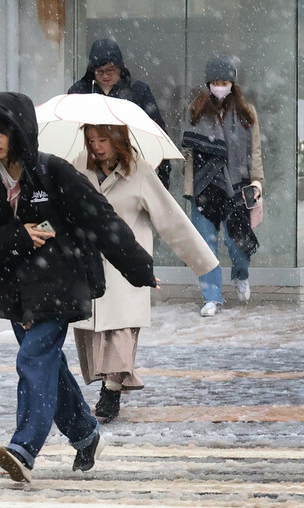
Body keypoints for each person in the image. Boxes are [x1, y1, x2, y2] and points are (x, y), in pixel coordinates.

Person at [0, 91, 156, 483]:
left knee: (33, 361)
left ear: (19, 132)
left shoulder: (53, 172)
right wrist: (17, 237)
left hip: (58, 285)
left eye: (0, 132)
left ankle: (24, 448)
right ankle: (85, 434)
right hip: (15, 293)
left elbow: (101, 219)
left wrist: (139, 268)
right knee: (50, 368)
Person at [71, 124, 217, 423]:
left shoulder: (139, 171)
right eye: (91, 140)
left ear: (119, 140)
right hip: (88, 262)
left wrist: (203, 262)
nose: (97, 147)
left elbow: (170, 217)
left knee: (122, 328)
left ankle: (111, 390)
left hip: (128, 263)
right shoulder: (76, 167)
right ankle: (106, 382)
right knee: (95, 330)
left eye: (103, 140)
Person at [181, 55, 264, 317]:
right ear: (208, 83)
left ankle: (241, 274)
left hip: (237, 186)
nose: (219, 86)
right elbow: (189, 154)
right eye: (215, 82)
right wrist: (189, 186)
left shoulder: (246, 112)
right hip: (205, 187)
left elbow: (255, 151)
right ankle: (212, 297)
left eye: (224, 81)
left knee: (237, 243)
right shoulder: (195, 111)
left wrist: (257, 182)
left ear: (232, 83)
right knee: (205, 245)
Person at [68, 38, 171, 187]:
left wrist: (162, 178)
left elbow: (157, 131)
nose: (105, 76)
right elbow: (72, 131)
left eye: (110, 70)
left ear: (120, 68)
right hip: (90, 168)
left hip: (128, 166)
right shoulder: (79, 92)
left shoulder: (138, 91)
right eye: (100, 71)